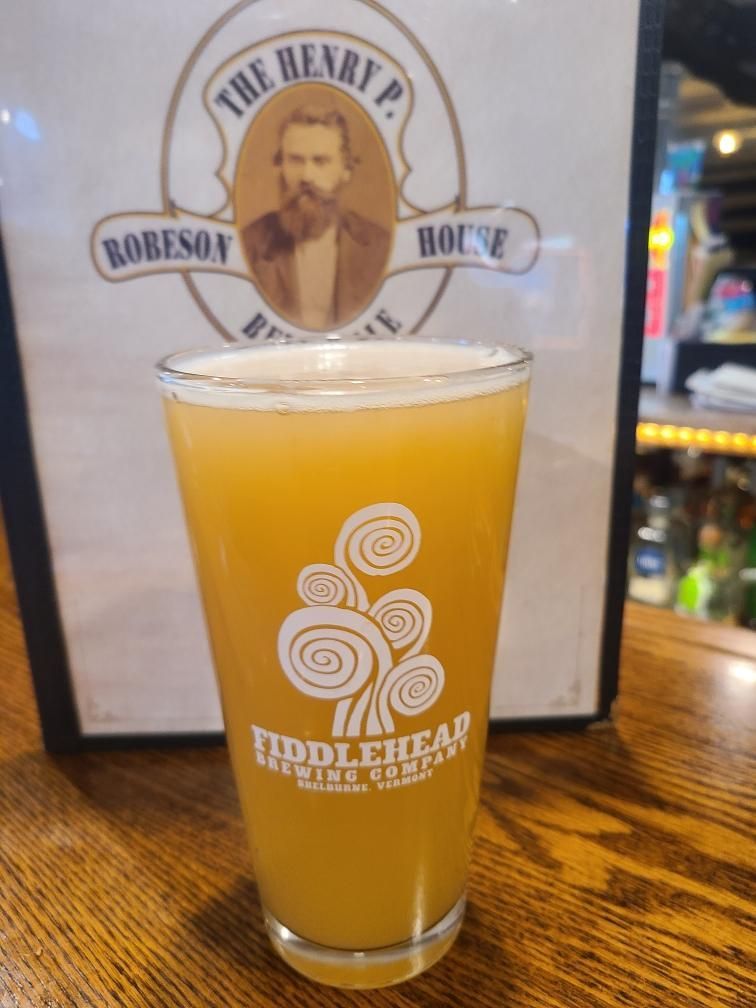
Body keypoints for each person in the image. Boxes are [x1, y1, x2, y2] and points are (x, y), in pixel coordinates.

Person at [241, 104, 390, 330]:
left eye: (320, 161)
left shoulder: (379, 248)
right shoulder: (248, 245)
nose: (307, 176)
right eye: (295, 160)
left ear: (346, 169)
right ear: (280, 166)